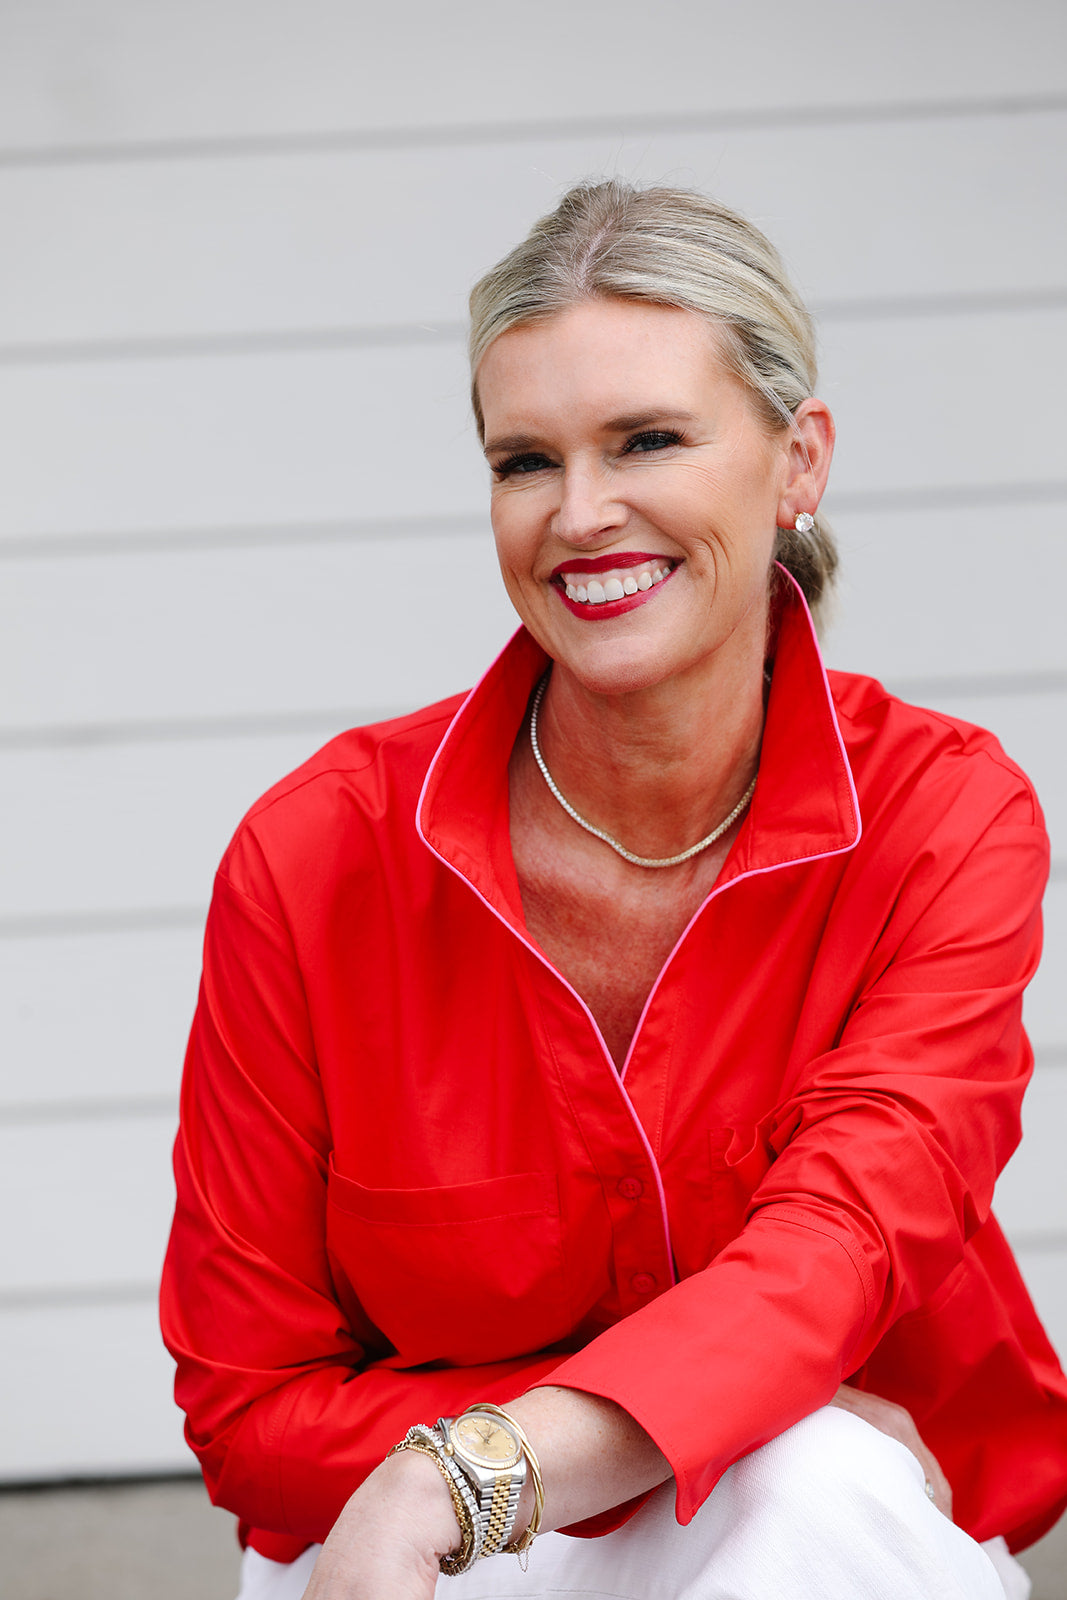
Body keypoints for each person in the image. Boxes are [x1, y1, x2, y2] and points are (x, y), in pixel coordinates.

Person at [161, 181, 1067, 1600]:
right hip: (421, 1541)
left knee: (805, 1487)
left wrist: (541, 1447)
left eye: (648, 439)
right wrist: (664, 1427)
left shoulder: (944, 821)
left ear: (798, 462)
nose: (582, 514)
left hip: (830, 1530)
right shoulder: (315, 855)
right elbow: (247, 1409)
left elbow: (841, 1242)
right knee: (788, 1445)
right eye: (527, 460)